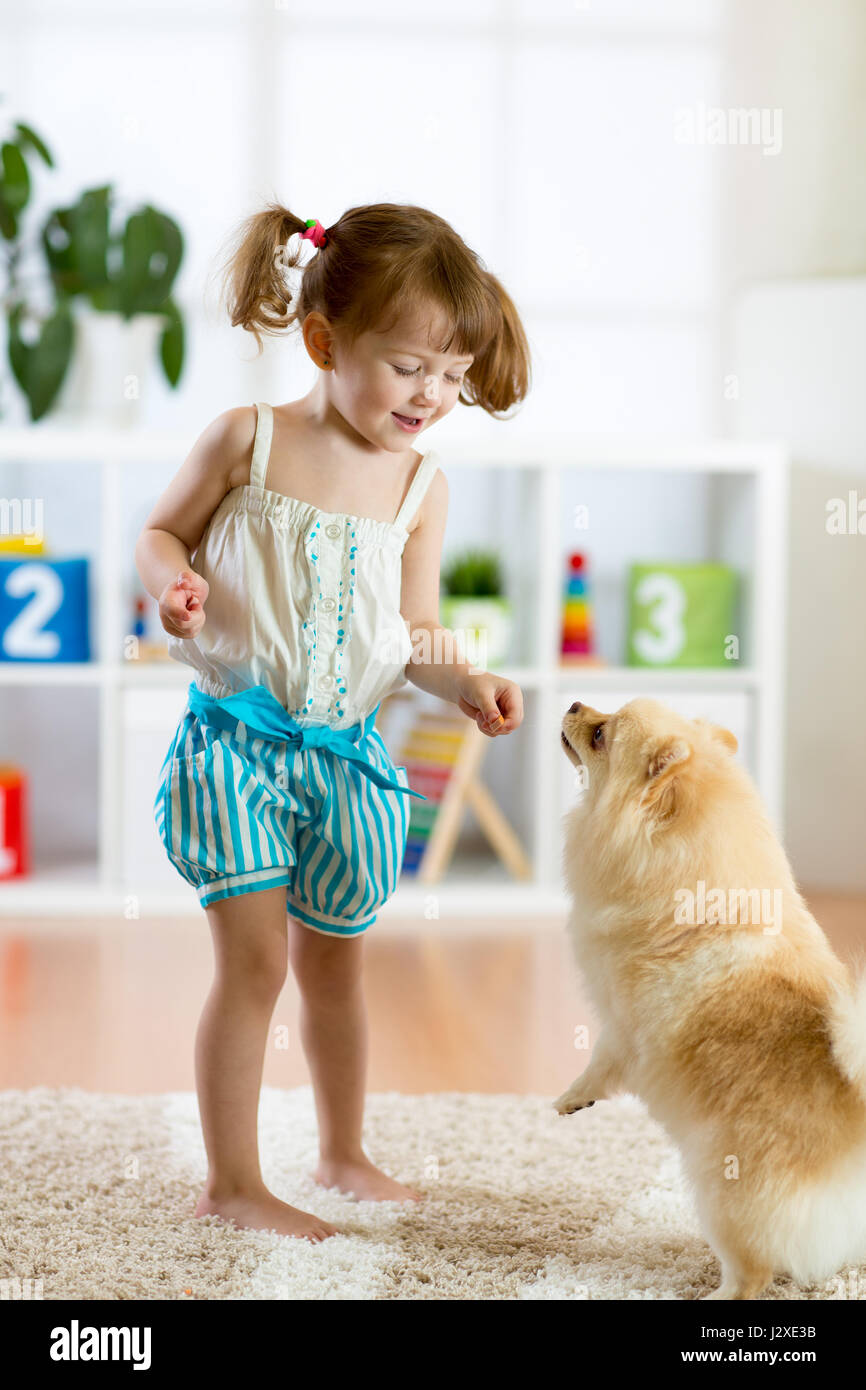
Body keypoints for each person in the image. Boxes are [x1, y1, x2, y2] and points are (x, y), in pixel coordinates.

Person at [135, 201, 530, 1242]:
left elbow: (412, 631)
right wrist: (171, 583)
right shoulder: (249, 441)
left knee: (336, 967)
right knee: (254, 963)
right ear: (323, 342)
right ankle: (231, 1181)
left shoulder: (419, 487)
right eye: (408, 367)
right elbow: (160, 531)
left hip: (345, 762)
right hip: (238, 746)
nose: (432, 395)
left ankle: (343, 1150)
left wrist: (469, 680)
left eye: (450, 376)